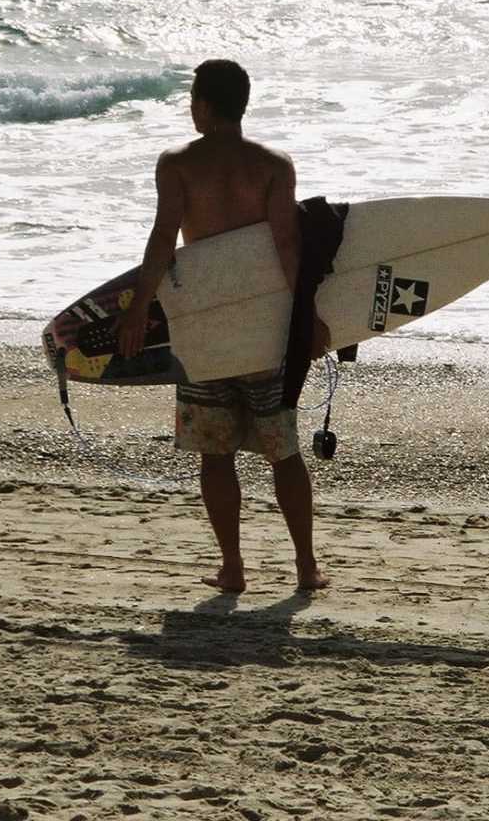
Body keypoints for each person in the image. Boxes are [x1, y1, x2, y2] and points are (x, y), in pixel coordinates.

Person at [116, 59, 330, 594]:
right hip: (265, 327)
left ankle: (233, 567)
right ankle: (305, 566)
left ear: (205, 106)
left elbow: (164, 239)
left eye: (193, 100)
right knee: (284, 449)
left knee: (216, 453)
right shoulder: (275, 165)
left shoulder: (177, 164)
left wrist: (141, 307)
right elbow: (287, 245)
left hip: (207, 327)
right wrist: (310, 319)